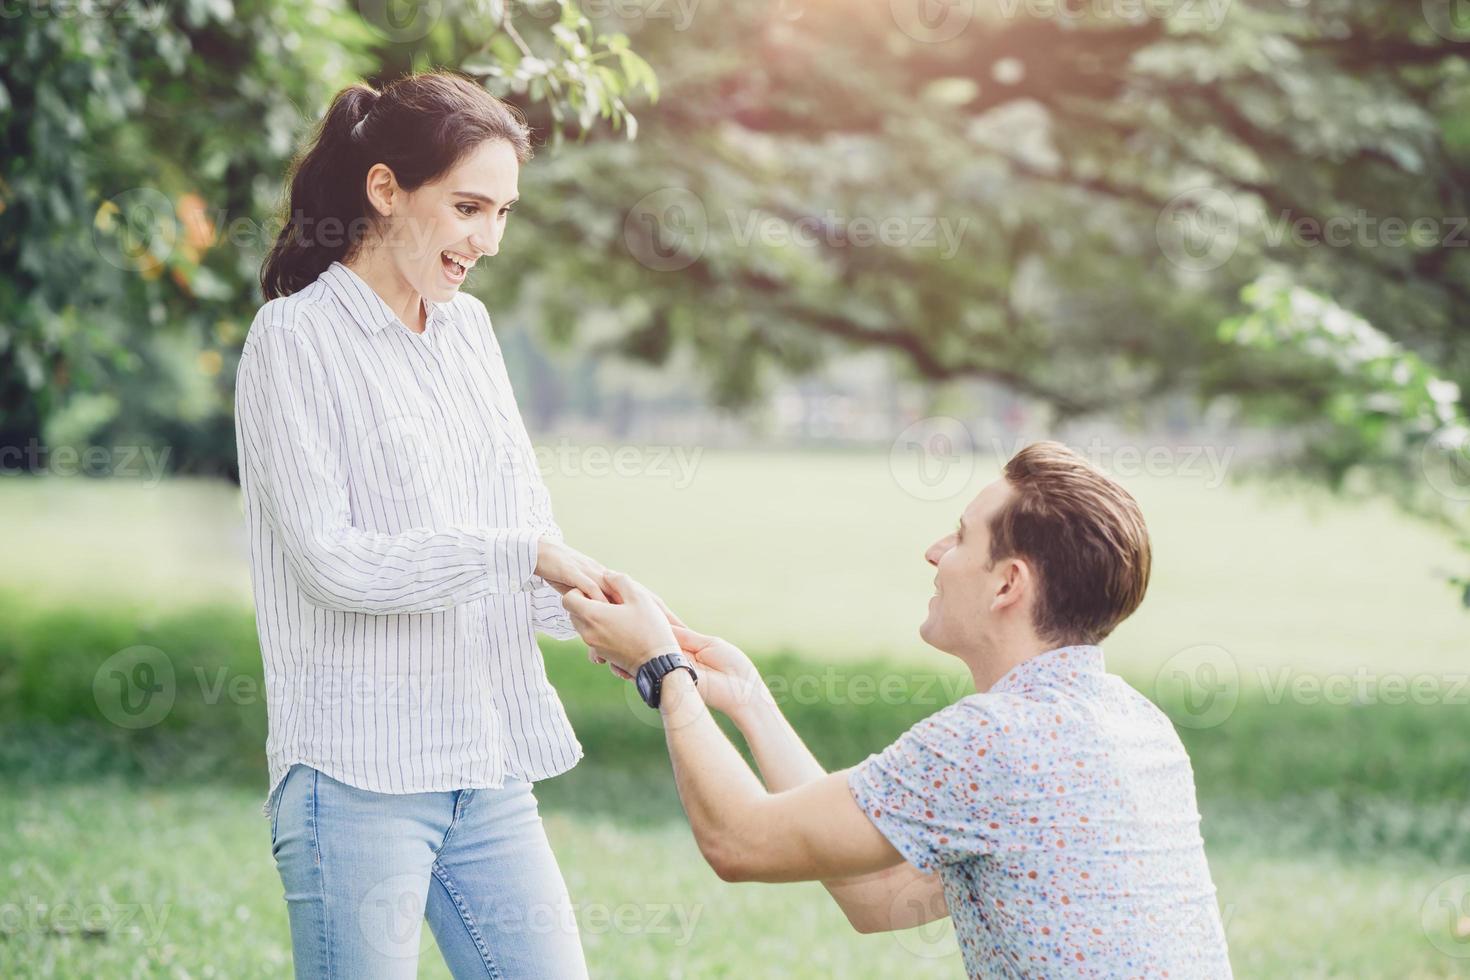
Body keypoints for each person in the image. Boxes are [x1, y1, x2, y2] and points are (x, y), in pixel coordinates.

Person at [564, 440, 1234, 978]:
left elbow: (739, 842)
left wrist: (663, 669)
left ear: (1008, 583)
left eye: (961, 537)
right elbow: (879, 896)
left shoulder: (995, 739)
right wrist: (748, 701)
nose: (935, 553)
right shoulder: (1139, 727)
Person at [237, 71, 628, 978]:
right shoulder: (292, 341)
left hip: (485, 765)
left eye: (503, 213)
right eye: (468, 207)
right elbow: (334, 563)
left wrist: (607, 615)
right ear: (385, 189)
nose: (487, 240)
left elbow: (525, 532)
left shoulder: (470, 332)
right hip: (355, 774)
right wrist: (524, 555)